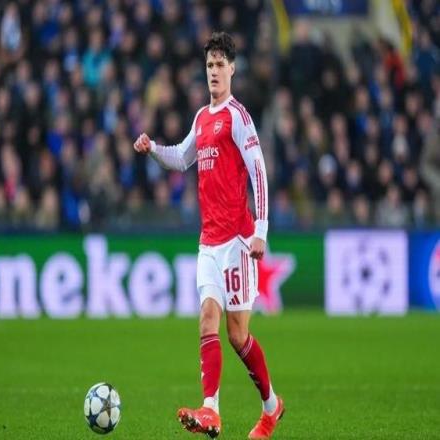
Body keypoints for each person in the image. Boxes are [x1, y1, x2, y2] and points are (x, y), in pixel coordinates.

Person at [134, 32, 284, 439]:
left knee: (238, 335)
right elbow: (182, 158)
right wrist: (152, 148)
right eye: (209, 65)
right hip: (209, 242)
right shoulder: (202, 117)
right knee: (206, 319)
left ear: (232, 69)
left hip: (238, 240)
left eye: (220, 64)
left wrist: (261, 230)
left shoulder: (238, 116)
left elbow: (258, 171)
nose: (214, 71)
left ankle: (271, 407)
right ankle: (210, 410)